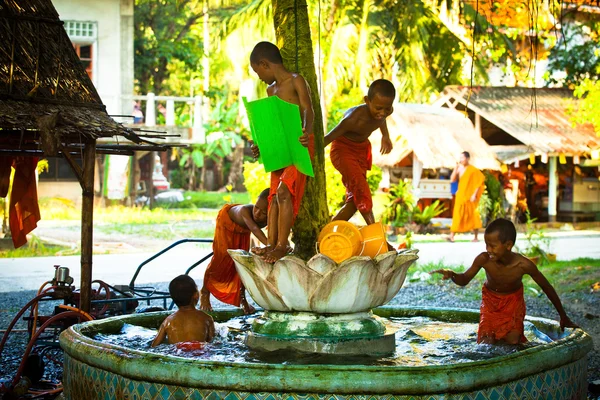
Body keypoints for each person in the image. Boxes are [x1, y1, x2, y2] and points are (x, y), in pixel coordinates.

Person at [431, 218, 577, 344]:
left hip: (513, 304)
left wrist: (563, 316)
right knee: (486, 343)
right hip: (490, 303)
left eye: (493, 246)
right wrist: (452, 274)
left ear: (508, 245)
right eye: (486, 244)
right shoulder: (484, 259)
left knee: (513, 342)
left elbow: (547, 287)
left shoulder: (523, 265)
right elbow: (464, 280)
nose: (488, 249)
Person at [248, 41, 315, 263]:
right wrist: (260, 145)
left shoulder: (296, 80)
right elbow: (272, 124)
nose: (259, 77)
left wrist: (307, 130)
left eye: (258, 71)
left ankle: (283, 245)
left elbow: (308, 108)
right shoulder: (270, 90)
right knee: (274, 196)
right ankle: (272, 244)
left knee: (285, 191)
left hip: (299, 143)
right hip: (279, 146)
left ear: (264, 64)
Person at [324, 79, 395, 225]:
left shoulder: (386, 110)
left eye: (387, 109)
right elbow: (328, 138)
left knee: (354, 201)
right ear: (367, 101)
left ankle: (327, 232)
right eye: (379, 108)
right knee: (361, 190)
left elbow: (382, 120)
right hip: (342, 150)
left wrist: (385, 136)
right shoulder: (353, 119)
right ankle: (375, 233)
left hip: (361, 150)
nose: (382, 113)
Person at [200, 189, 269, 314]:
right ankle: (205, 292)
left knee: (240, 264)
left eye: (263, 212)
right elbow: (254, 229)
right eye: (256, 207)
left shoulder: (271, 218)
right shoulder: (245, 211)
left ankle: (242, 299)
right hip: (226, 225)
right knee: (220, 260)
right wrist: (272, 246)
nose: (257, 213)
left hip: (242, 231)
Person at [151, 275, 215, 347]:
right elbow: (212, 343)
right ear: (196, 295)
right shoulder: (206, 318)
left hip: (177, 352)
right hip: (199, 352)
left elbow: (154, 345)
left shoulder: (168, 321)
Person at [449, 151, 485, 242]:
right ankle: (452, 236)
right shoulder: (459, 169)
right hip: (461, 194)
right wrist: (456, 168)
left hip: (470, 196)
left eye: (463, 158)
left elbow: (478, 183)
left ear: (468, 158)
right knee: (457, 213)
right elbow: (452, 179)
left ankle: (476, 237)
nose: (461, 160)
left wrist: (474, 195)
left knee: (472, 214)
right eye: (460, 158)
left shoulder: (473, 170)